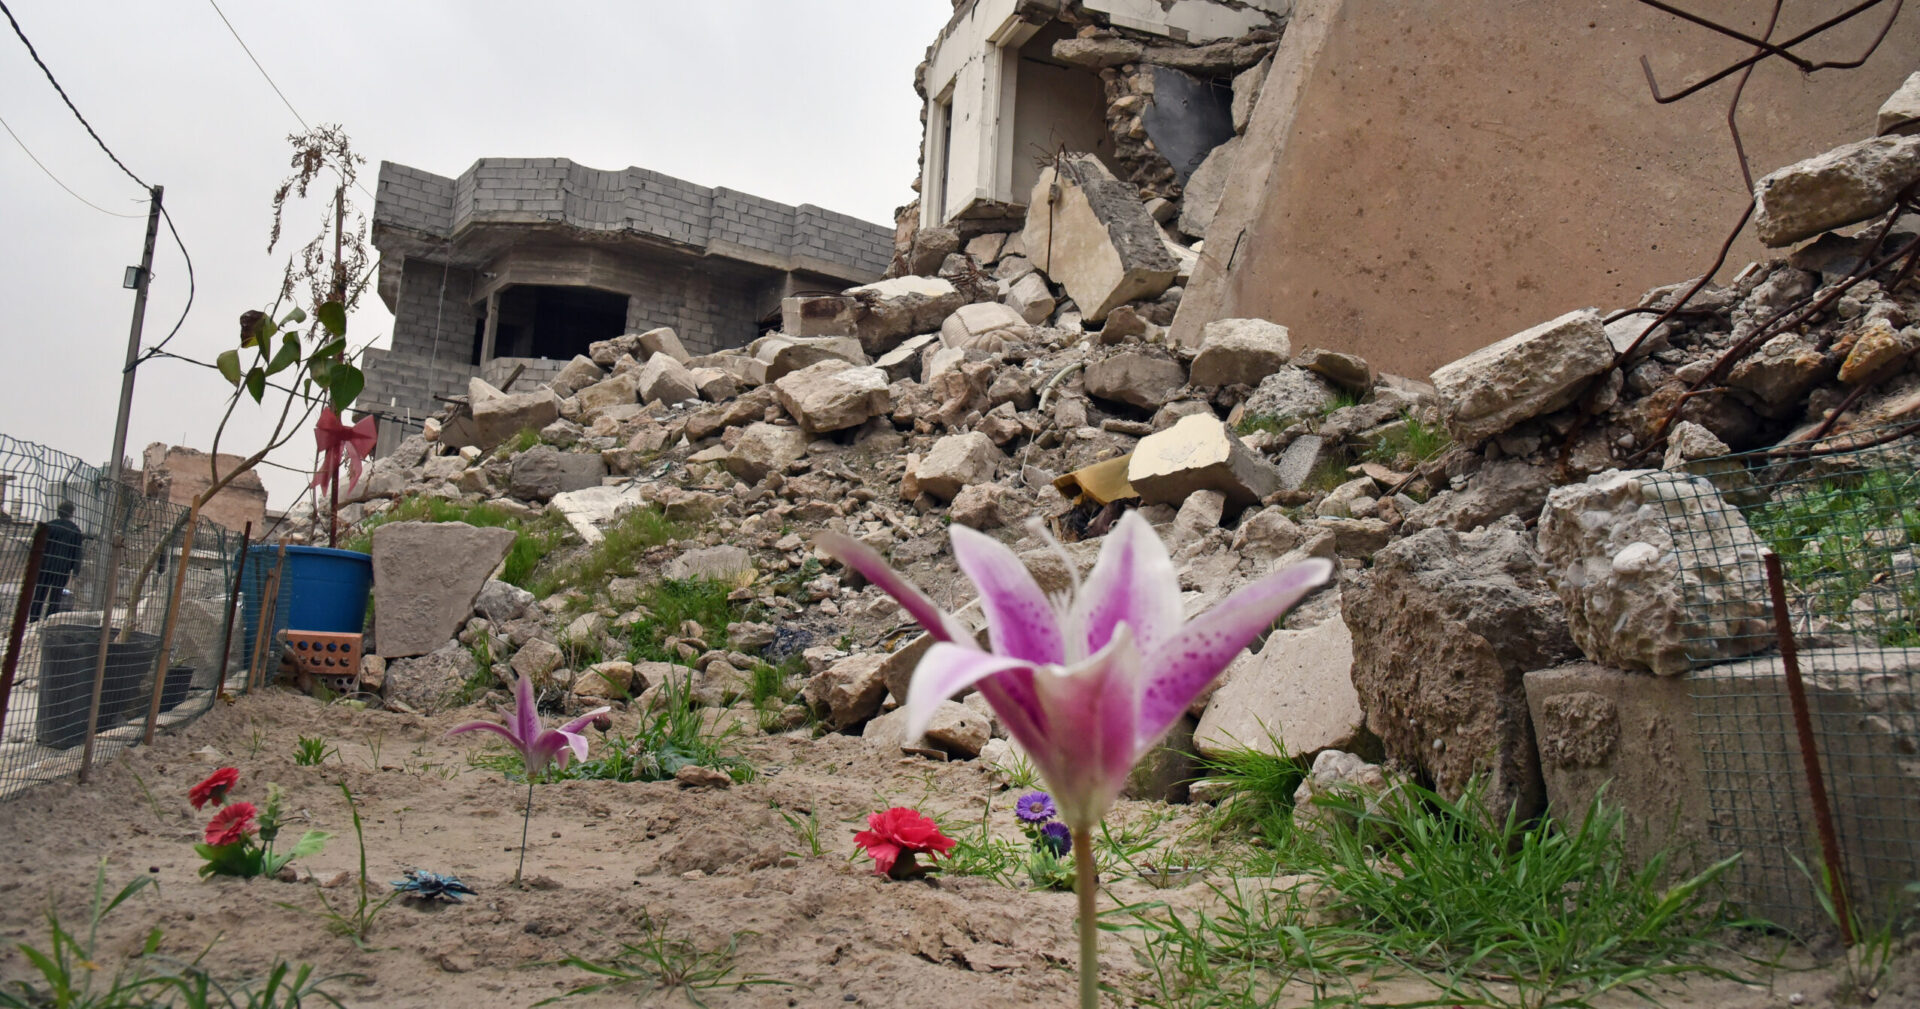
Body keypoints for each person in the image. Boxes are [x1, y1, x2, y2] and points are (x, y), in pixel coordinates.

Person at [30, 502, 85, 622]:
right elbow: (77, 552)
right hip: (62, 568)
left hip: (45, 566)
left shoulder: (48, 526)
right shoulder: (75, 530)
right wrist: (76, 570)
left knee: (39, 594)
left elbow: (37, 544)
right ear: (72, 514)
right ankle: (49, 620)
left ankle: (33, 620)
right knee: (55, 596)